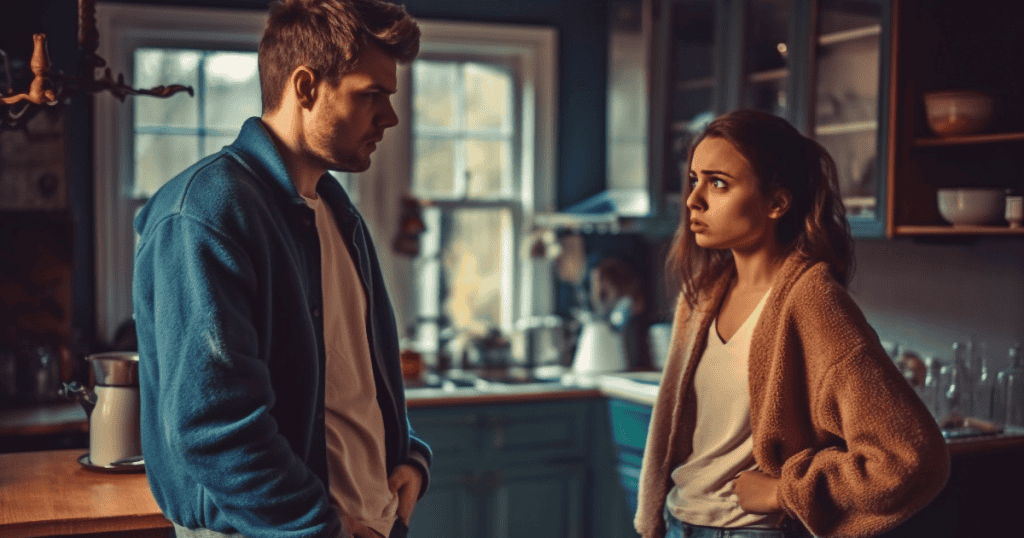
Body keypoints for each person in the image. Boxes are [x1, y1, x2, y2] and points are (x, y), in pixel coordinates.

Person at [132, 1, 430, 537]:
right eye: (372, 95)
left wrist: (408, 459)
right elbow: (215, 428)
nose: (390, 116)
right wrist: (323, 530)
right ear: (306, 87)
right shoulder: (205, 215)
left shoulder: (337, 212)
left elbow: (355, 385)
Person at [635, 110, 949, 538]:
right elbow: (671, 432)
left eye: (718, 183)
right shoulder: (701, 297)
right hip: (681, 521)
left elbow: (909, 456)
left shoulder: (813, 301)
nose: (694, 199)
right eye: (694, 180)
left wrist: (785, 491)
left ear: (777, 203)